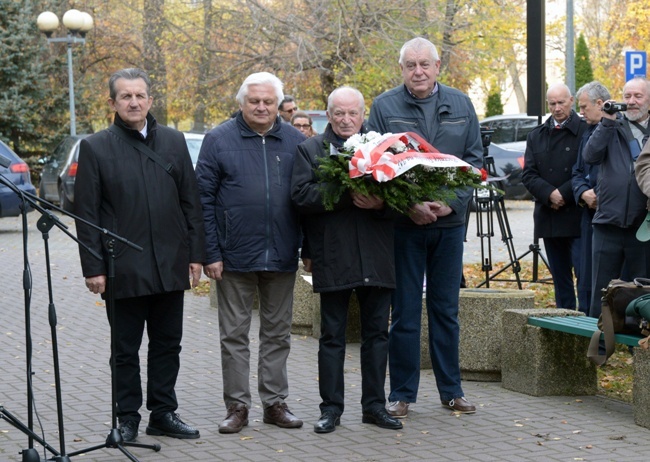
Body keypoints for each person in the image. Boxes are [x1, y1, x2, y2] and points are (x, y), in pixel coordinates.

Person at [74, 68, 205, 443]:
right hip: (122, 267)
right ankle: (126, 417)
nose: (134, 102)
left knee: (168, 345)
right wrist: (93, 266)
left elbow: (190, 202)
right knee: (125, 350)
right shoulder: (96, 146)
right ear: (113, 102)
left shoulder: (175, 142)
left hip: (169, 262)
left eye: (140, 95)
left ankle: (162, 413)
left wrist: (195, 255)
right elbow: (87, 214)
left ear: (150, 99)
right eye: (125, 96)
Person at [367, 37, 483, 418]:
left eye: (424, 64)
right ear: (401, 69)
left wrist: (450, 202)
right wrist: (409, 205)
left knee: (446, 310)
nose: (418, 71)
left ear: (437, 67)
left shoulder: (462, 104)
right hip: (404, 226)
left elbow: (474, 160)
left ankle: (452, 390)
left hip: (449, 226)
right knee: (403, 312)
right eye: (410, 65)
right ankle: (401, 394)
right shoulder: (384, 107)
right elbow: (374, 163)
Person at [195, 72, 306, 434]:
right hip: (233, 256)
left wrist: (308, 250)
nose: (261, 107)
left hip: (282, 254)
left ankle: (274, 403)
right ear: (241, 103)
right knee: (234, 336)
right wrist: (210, 252)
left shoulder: (295, 141)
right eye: (254, 101)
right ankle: (237, 406)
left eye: (268, 101)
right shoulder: (218, 140)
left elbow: (307, 200)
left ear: (279, 105)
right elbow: (203, 201)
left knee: (278, 334)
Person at [291, 86, 402, 434]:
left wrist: (381, 203)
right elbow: (300, 196)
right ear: (328, 114)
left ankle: (374, 407)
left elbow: (403, 199)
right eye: (338, 112)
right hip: (334, 254)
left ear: (362, 114)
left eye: (352, 113)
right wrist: (345, 193)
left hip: (376, 255)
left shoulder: (382, 150)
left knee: (376, 336)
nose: (345, 119)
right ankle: (331, 410)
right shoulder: (310, 150)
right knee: (332, 337)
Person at [582, 77, 650, 318]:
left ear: (648, 100)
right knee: (601, 292)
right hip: (607, 223)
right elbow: (590, 155)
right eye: (627, 96)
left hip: (642, 226)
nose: (631, 101)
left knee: (641, 291)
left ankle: (638, 350)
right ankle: (597, 348)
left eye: (638, 96)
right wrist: (606, 123)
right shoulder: (611, 126)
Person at [522, 83, 587, 310]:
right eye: (552, 103)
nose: (557, 108)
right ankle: (565, 324)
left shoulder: (586, 130)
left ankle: (588, 325)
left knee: (584, 274)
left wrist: (564, 193)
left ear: (571, 100)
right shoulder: (536, 135)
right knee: (560, 279)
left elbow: (588, 169)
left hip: (578, 215)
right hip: (550, 216)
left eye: (561, 102)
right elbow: (528, 174)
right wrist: (550, 194)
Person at [572, 81, 611, 314]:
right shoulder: (587, 134)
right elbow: (577, 172)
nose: (581, 112)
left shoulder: (620, 130)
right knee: (586, 277)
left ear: (599, 103)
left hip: (610, 216)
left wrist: (602, 195)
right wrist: (583, 192)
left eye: (584, 107)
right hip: (588, 215)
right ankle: (587, 322)